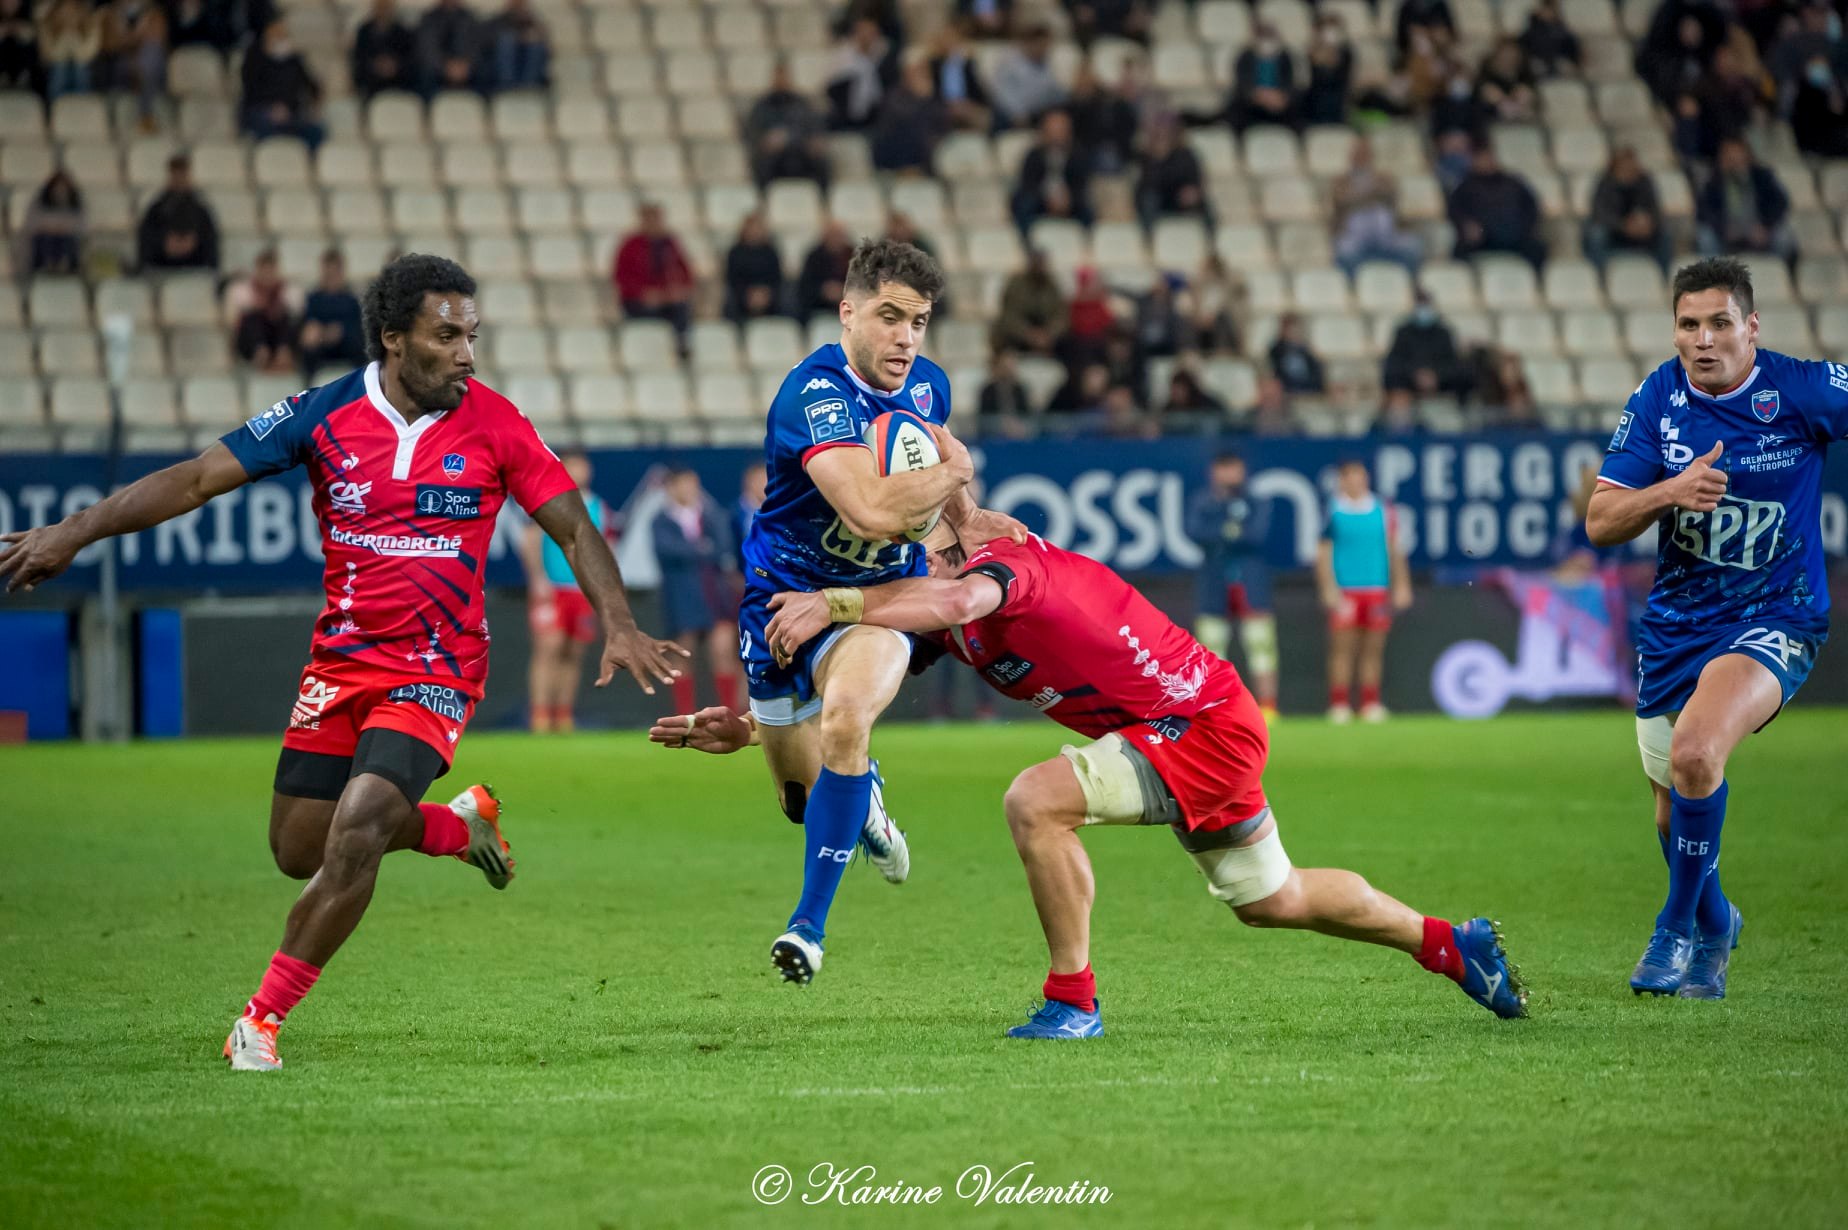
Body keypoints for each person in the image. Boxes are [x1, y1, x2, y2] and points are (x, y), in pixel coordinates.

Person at [0, 254, 684, 1071]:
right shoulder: (322, 414)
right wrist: (72, 532)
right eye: (446, 335)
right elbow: (193, 480)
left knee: (356, 832)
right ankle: (451, 828)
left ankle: (260, 1022)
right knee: (300, 848)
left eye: (472, 334)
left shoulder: (499, 423)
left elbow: (573, 527)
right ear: (393, 340)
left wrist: (619, 622)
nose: (467, 353)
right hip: (341, 663)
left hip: (439, 666)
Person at [656, 528, 1529, 1038]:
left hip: (1199, 726)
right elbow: (865, 688)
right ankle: (1450, 942)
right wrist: (759, 724)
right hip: (1197, 719)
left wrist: (840, 603)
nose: (904, 562)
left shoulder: (1002, 576)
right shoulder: (941, 599)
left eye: (923, 543)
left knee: (1034, 802)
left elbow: (956, 604)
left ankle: (1072, 999)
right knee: (1274, 898)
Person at [721, 238, 1025, 985]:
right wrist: (958, 470)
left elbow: (924, 473)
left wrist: (967, 511)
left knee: (847, 718)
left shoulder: (929, 387)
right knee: (801, 800)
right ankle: (868, 804)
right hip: (783, 602)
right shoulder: (814, 396)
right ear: (848, 311)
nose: (906, 338)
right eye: (890, 317)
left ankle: (807, 929)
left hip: (876, 604)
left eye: (919, 322)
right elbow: (864, 507)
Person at [1585, 257, 1847, 999]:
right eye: (1688, 324)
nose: (1703, 339)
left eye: (1720, 323)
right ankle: (1718, 920)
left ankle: (1674, 933)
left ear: (1751, 327)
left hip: (1777, 615)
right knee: (1672, 805)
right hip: (1678, 623)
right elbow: (1601, 520)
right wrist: (1669, 490)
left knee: (1698, 753)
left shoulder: (1803, 389)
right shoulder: (1658, 398)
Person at [521, 451, 613, 733]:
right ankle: (539, 715)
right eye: (573, 467)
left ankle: (562, 714)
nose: (580, 472)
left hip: (581, 589)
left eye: (583, 467)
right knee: (549, 648)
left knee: (574, 651)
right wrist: (538, 578)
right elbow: (530, 540)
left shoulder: (599, 506)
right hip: (554, 589)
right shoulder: (548, 498)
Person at [1317, 459, 1412, 723]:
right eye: (1349, 477)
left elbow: (1394, 549)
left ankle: (1370, 703)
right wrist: (1328, 588)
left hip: (1376, 588)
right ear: (1342, 481)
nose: (1356, 482)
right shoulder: (1333, 511)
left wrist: (1402, 584)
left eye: (1360, 477)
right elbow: (1323, 553)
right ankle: (1339, 704)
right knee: (1342, 649)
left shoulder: (1383, 510)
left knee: (1373, 649)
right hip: (1346, 589)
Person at [1186, 452, 1279, 719]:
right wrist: (1230, 528)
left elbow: (1256, 535)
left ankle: (1268, 707)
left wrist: (1221, 533)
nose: (1229, 474)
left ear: (1243, 469)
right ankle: (1216, 710)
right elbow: (1194, 532)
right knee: (1212, 648)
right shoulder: (1203, 501)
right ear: (1213, 471)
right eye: (1223, 468)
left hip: (1251, 582)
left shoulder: (1256, 501)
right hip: (1213, 582)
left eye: (1233, 468)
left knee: (1261, 644)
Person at [653, 467, 743, 715]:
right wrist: (702, 549)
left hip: (716, 596)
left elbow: (723, 547)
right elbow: (667, 551)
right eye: (682, 484)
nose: (688, 489)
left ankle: (730, 712)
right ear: (671, 488)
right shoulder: (661, 520)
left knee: (724, 651)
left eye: (692, 483)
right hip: (682, 598)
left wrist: (696, 550)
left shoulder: (712, 515)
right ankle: (684, 714)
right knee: (683, 654)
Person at [1695, 139, 1797, 263]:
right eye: (1730, 157)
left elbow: (1781, 203)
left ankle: (1775, 272)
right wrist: (1723, 228)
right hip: (1727, 234)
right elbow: (1704, 210)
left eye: (1738, 156)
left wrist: (1766, 226)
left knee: (1784, 236)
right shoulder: (1712, 181)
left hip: (1758, 232)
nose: (1735, 162)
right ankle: (1716, 277)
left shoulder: (1762, 176)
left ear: (1747, 156)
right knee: (1705, 237)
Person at [1448, 143, 1546, 270]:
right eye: (1481, 158)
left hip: (1514, 235)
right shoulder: (1465, 186)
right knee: (1459, 252)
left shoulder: (1513, 183)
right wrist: (1466, 225)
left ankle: (1536, 284)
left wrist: (1524, 228)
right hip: (1482, 237)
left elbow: (1531, 207)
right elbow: (1455, 210)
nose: (1486, 161)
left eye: (1488, 157)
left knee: (1537, 249)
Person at [612, 202, 694, 347]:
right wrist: (642, 294)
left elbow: (686, 273)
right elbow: (621, 277)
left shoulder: (670, 244)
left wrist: (678, 291)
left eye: (656, 219)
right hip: (638, 301)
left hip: (666, 300)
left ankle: (682, 345)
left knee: (682, 309)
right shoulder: (630, 245)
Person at [1584, 146, 1673, 272]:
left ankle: (1664, 276)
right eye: (1624, 166)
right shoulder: (1605, 184)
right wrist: (1623, 225)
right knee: (1596, 235)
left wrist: (1649, 223)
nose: (1629, 169)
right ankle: (1600, 275)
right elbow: (1599, 213)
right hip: (1615, 231)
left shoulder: (1645, 182)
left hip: (1642, 231)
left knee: (1665, 235)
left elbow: (1655, 210)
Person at [241, 18, 326, 149]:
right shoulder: (255, 61)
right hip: (262, 113)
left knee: (316, 132)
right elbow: (250, 91)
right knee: (263, 130)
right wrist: (272, 109)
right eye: (276, 37)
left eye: (283, 37)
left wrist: (315, 106)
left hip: (290, 115)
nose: (281, 41)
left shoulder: (295, 61)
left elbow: (313, 86)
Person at [746, 60, 831, 189]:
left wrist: (813, 140)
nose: (782, 81)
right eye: (778, 77)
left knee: (821, 161)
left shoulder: (802, 103)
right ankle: (764, 201)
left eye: (784, 77)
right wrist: (766, 141)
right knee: (762, 164)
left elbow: (814, 127)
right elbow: (753, 132)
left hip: (800, 151)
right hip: (775, 157)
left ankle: (823, 201)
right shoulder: (762, 106)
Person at [1011, 108, 1094, 234]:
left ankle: (1086, 244)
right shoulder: (1034, 156)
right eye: (1053, 130)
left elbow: (1081, 184)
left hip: (1069, 201)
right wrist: (1047, 198)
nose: (1057, 135)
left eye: (1061, 130)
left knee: (1088, 209)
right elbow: (1028, 184)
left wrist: (1068, 198)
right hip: (1040, 200)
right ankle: (1028, 244)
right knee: (1023, 203)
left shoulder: (1078, 156)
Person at [225, 248, 303, 373]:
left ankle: (283, 353)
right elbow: (233, 322)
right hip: (251, 341)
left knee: (286, 317)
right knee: (252, 317)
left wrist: (277, 308)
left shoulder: (288, 291)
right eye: (264, 271)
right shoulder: (242, 291)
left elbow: (297, 316)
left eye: (270, 271)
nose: (267, 276)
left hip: (278, 338)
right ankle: (261, 352)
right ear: (258, 270)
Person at [136, 154, 219, 271]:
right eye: (176, 176)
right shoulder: (156, 209)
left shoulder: (201, 210)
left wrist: (193, 243)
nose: (179, 180)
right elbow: (146, 240)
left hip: (195, 270)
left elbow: (211, 245)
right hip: (161, 269)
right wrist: (164, 243)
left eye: (183, 175)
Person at [299, 248, 367, 379]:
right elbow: (308, 327)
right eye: (328, 274)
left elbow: (359, 330)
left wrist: (340, 332)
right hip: (321, 346)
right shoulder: (313, 300)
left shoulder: (352, 300)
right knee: (309, 347)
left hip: (347, 346)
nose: (331, 278)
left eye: (335, 273)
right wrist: (320, 334)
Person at [21, 170, 85, 277]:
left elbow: (83, 227)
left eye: (63, 188)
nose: (60, 191)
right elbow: (31, 225)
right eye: (57, 187)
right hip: (44, 241)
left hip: (68, 241)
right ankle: (47, 267)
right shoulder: (38, 203)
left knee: (68, 239)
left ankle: (65, 267)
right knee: (46, 238)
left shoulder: (76, 205)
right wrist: (50, 228)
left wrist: (63, 229)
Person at [724, 212, 785, 323]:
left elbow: (776, 278)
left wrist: (766, 294)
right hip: (742, 297)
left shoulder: (770, 252)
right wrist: (748, 295)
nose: (755, 231)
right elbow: (732, 279)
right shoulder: (735, 253)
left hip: (768, 296)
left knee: (786, 301)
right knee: (729, 303)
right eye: (752, 227)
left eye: (758, 227)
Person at [414, 0, 482, 97]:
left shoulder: (469, 18)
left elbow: (476, 46)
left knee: (482, 71)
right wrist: (445, 67)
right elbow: (427, 49)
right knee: (424, 72)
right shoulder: (429, 18)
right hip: (439, 69)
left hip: (465, 68)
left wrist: (467, 64)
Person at [39, 0, 102, 99]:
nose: (69, 15)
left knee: (80, 68)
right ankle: (56, 108)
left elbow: (90, 53)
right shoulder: (47, 21)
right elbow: (47, 53)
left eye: (73, 11)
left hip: (81, 65)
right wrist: (64, 39)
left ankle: (81, 106)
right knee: (60, 69)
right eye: (64, 11)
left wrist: (74, 41)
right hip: (56, 66)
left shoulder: (90, 21)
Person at [351, 0, 414, 99]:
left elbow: (410, 59)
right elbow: (359, 59)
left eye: (386, 6)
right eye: (380, 6)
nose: (383, 10)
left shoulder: (402, 32)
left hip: (399, 84)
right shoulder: (364, 32)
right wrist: (375, 66)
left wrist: (394, 67)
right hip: (371, 86)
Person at [488, 0, 547, 91]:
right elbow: (489, 42)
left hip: (526, 65)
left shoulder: (533, 22)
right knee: (506, 41)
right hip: (502, 69)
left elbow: (546, 45)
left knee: (536, 45)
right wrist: (519, 38)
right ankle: (508, 84)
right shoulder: (497, 21)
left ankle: (529, 86)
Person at [731, 460, 766, 571]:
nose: (763, 484)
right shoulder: (734, 514)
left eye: (766, 479)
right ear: (748, 482)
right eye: (758, 480)